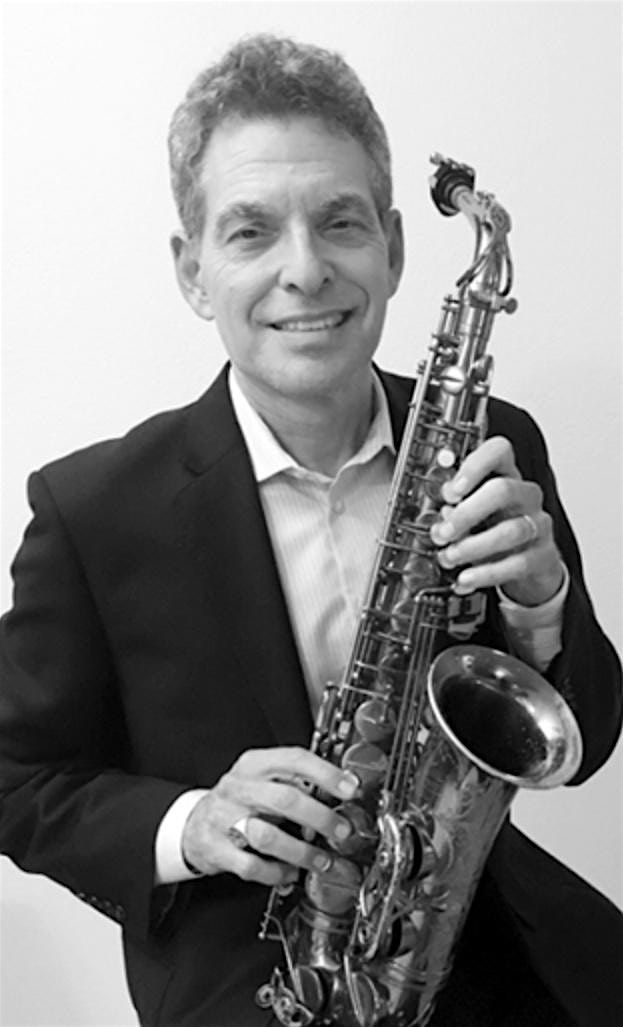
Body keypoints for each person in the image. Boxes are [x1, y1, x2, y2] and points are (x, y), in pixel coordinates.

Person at [0, 33, 621, 1027]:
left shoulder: (489, 441)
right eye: (250, 232)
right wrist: (192, 823)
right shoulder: (94, 510)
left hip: (487, 943)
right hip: (259, 976)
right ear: (192, 270)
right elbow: (18, 778)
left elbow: (580, 741)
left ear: (393, 246)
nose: (305, 270)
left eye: (339, 223)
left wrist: (541, 603)